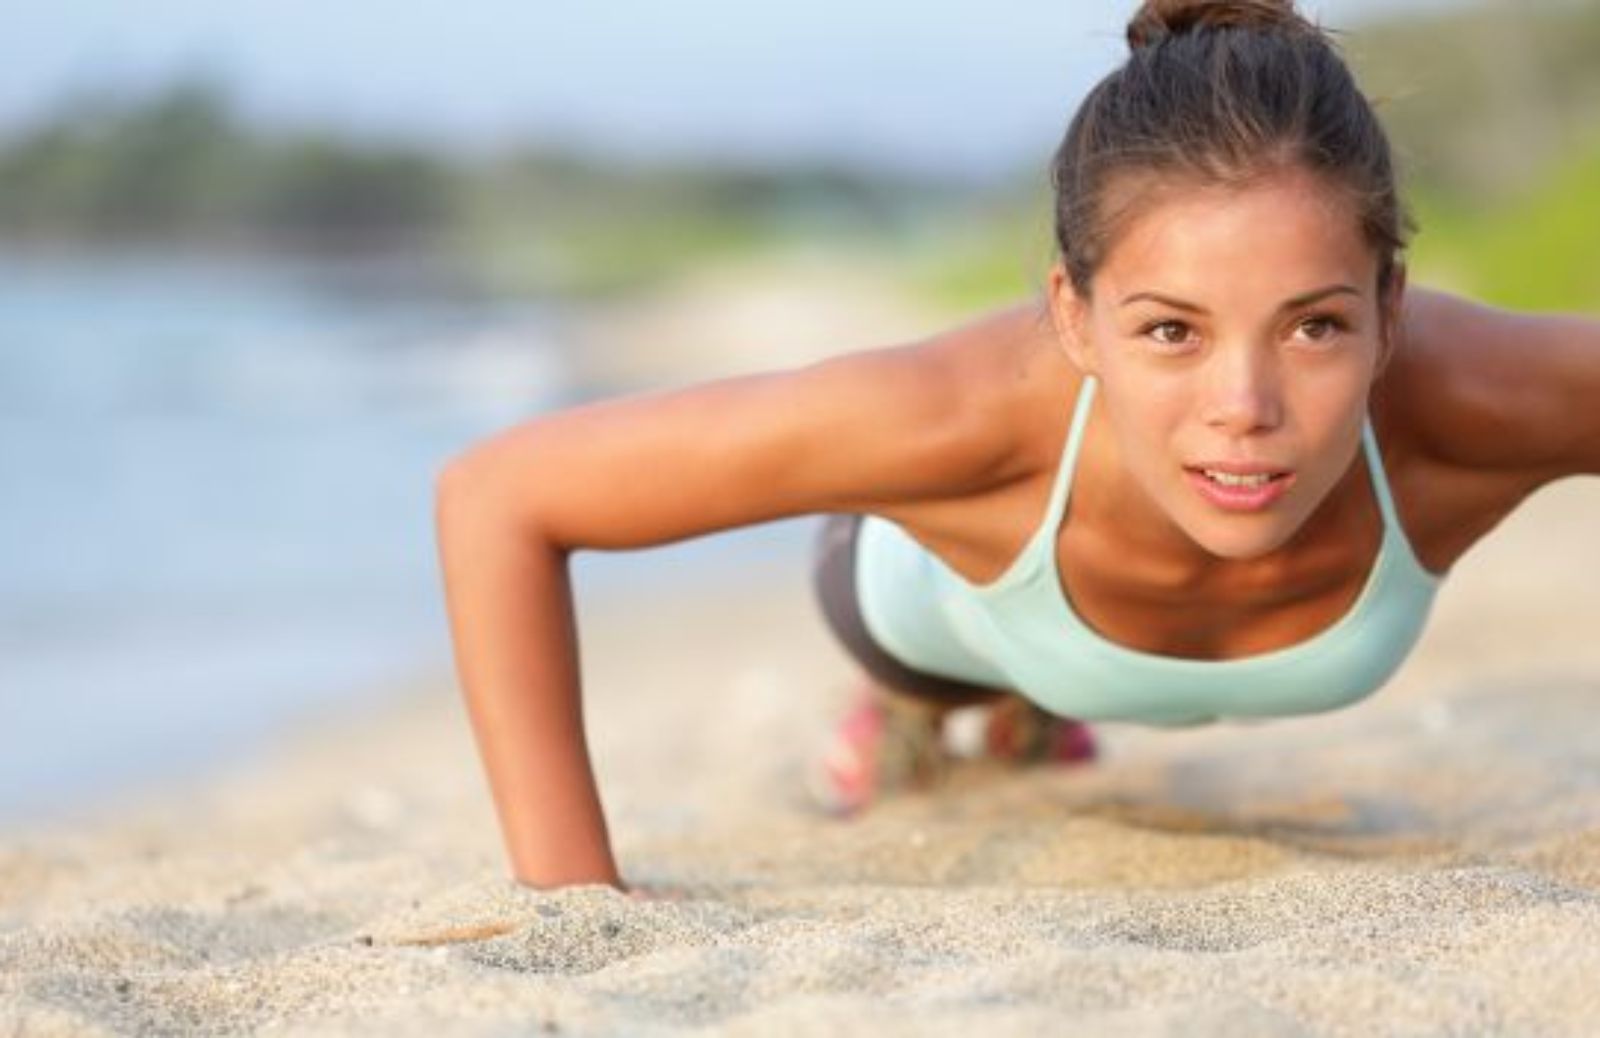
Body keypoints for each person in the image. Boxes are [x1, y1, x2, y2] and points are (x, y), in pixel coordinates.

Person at [434, 0, 1600, 892]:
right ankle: (927, 705)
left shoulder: (1470, 402)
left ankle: (1030, 714)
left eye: (1314, 325)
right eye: (1169, 331)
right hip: (938, 596)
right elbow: (500, 495)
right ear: (1072, 316)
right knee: (919, 648)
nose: (1244, 403)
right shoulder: (956, 417)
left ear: (1390, 310)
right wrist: (575, 898)